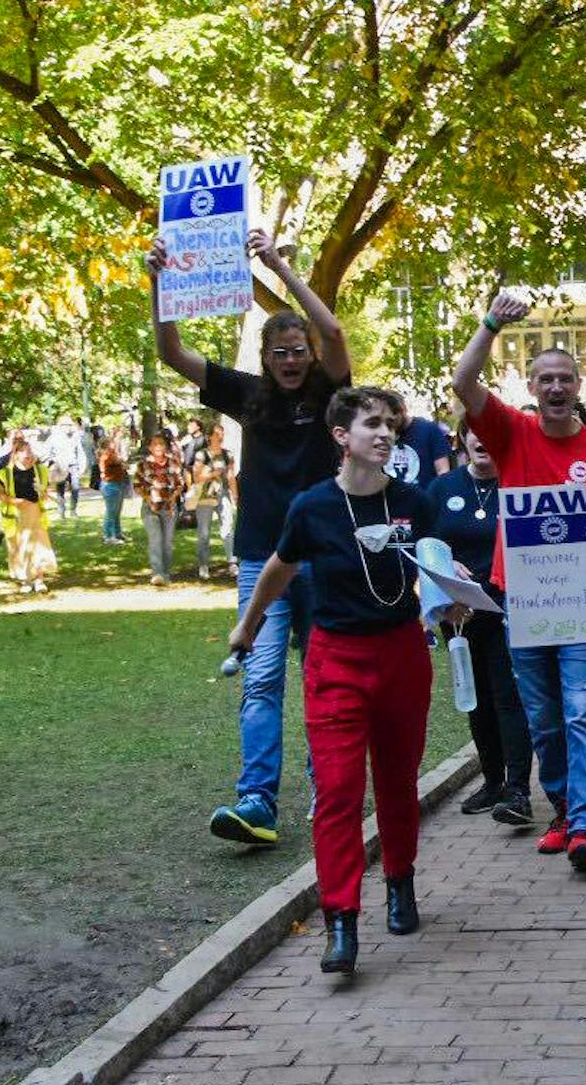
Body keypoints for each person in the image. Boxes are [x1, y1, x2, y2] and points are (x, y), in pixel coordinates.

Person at [228, 386, 451, 975]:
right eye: (371, 424)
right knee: (339, 790)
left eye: (390, 426)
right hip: (335, 660)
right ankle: (341, 919)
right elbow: (280, 565)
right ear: (340, 436)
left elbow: (440, 568)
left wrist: (455, 600)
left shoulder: (413, 502)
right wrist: (247, 627)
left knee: (399, 781)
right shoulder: (313, 506)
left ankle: (400, 882)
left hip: (402, 653)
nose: (385, 434)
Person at [148, 227, 352, 848]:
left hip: (323, 558)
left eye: (297, 350)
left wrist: (279, 268)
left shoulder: (328, 392)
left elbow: (336, 333)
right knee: (261, 681)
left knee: (325, 679)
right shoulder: (247, 393)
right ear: (265, 358)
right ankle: (256, 801)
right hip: (262, 561)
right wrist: (158, 283)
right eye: (280, 352)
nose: (291, 360)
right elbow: (171, 354)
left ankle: (330, 790)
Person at [453, 288, 586, 873]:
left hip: (583, 603)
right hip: (524, 602)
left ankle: (585, 820)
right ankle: (560, 805)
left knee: (584, 710)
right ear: (532, 389)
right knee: (542, 717)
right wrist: (490, 325)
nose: (556, 388)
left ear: (578, 386)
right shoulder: (511, 433)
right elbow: (463, 382)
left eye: (565, 378)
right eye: (545, 379)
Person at [431, 423, 535, 826]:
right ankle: (492, 781)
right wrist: (444, 563)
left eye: (487, 431)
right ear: (462, 439)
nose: (481, 438)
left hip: (508, 609)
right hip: (458, 613)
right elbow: (423, 542)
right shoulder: (441, 489)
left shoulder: (520, 484)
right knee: (476, 699)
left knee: (509, 697)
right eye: (472, 431)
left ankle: (517, 788)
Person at [0, 435, 58, 592]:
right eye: (24, 452)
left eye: (30, 452)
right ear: (16, 454)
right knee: (19, 546)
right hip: (16, 516)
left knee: (38, 545)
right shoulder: (5, 473)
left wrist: (46, 493)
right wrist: (15, 501)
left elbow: (49, 490)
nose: (28, 456)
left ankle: (39, 578)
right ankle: (25, 580)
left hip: (36, 513)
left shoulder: (41, 470)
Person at [132, 431, 188, 586]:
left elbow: (180, 484)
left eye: (161, 444)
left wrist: (172, 498)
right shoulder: (143, 465)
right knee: (156, 539)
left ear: (165, 447)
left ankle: (166, 572)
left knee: (167, 542)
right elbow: (136, 485)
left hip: (169, 507)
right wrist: (148, 498)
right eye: (154, 444)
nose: (158, 447)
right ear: (150, 447)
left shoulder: (173, 463)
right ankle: (157, 573)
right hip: (150, 507)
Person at [189, 425, 238, 580]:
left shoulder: (227, 454)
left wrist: (235, 495)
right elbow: (196, 477)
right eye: (217, 434)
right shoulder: (201, 455)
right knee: (204, 532)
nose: (220, 436)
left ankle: (232, 562)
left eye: (222, 433)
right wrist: (212, 474)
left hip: (223, 494)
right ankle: (203, 565)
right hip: (205, 495)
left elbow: (230, 476)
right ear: (210, 436)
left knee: (228, 528)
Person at [386, 409, 453, 488]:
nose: (392, 420)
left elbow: (443, 471)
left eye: (394, 413)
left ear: (403, 409)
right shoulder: (383, 434)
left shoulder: (428, 429)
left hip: (426, 496)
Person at [48, 416, 90, 519]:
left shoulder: (75, 437)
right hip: (60, 466)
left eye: (69, 425)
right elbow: (48, 451)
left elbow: (80, 451)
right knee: (60, 490)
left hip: (73, 465)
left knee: (75, 487)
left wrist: (82, 465)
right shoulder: (54, 437)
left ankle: (73, 510)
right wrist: (52, 463)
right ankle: (61, 512)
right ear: (60, 426)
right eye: (65, 425)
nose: (67, 427)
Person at [98, 430, 131, 545]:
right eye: (112, 442)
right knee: (111, 512)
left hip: (117, 483)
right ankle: (108, 536)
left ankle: (117, 533)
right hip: (110, 485)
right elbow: (120, 462)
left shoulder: (112, 453)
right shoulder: (108, 455)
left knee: (116, 512)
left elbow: (123, 464)